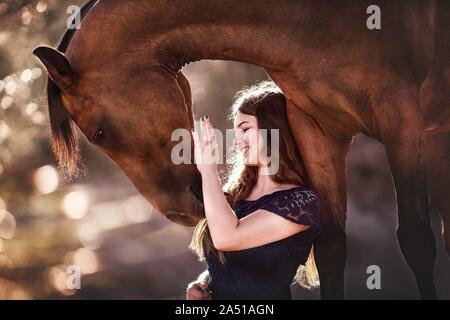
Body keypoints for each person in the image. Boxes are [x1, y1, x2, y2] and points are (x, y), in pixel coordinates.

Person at [187, 81, 321, 300]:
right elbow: (228, 264)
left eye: (245, 129)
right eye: (235, 131)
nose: (236, 141)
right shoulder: (234, 195)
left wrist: (208, 171)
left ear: (274, 130)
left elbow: (227, 238)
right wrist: (202, 284)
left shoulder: (302, 203)